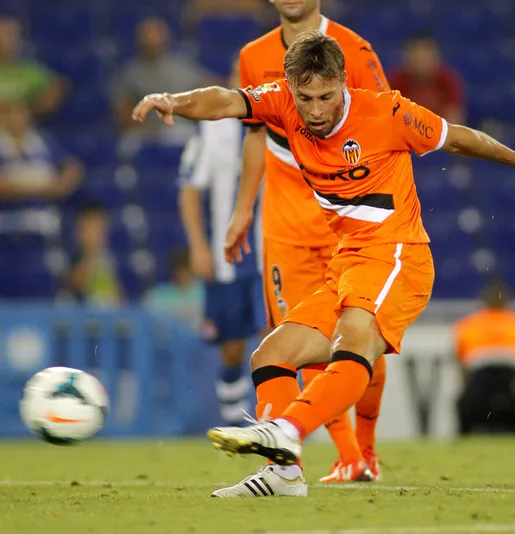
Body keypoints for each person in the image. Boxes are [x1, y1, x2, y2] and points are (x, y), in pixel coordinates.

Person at [131, 31, 515, 498]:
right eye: (306, 98)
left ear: (343, 80)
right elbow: (224, 102)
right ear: (290, 87)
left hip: (399, 255)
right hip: (348, 262)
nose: (316, 110)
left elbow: (458, 138)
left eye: (326, 96)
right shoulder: (279, 101)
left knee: (353, 338)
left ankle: (289, 431)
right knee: (271, 355)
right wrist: (173, 100)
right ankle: (283, 475)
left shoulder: (388, 112)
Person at [227, 0, 390, 485]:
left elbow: (386, 126)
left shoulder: (355, 52)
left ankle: (364, 450)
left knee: (363, 338)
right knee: (301, 341)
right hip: (285, 218)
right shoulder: (253, 55)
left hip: (345, 215)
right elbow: (255, 135)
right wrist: (242, 209)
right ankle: (348, 459)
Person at [178, 57, 266, 427]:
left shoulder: (285, 125)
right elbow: (190, 189)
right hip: (227, 257)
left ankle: (277, 424)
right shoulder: (211, 130)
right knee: (232, 347)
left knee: (276, 339)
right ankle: (234, 423)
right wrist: (198, 245)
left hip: (273, 255)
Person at [111, 16, 211, 153]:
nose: (152, 40)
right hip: (146, 131)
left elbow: (208, 88)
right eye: (147, 35)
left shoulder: (182, 66)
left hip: (180, 129)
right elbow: (122, 110)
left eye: (156, 34)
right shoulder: (130, 73)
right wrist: (143, 127)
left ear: (165, 38)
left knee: (199, 141)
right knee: (127, 144)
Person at [454, 279, 515, 435]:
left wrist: (467, 389)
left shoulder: (468, 325)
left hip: (485, 380)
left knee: (465, 405)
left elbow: (463, 365)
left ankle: (464, 438)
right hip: (507, 380)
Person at [388, 32, 465, 125]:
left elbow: (453, 118)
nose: (420, 59)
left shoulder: (448, 80)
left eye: (425, 54)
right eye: (416, 53)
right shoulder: (396, 81)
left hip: (441, 136)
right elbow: (390, 118)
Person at [0, 17, 66, 117]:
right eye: (5, 36)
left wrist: (33, 106)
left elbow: (57, 88)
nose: (10, 41)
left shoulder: (30, 70)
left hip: (22, 127)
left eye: (13, 36)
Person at [67, 200, 122, 306]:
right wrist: (92, 256)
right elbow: (74, 283)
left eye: (99, 228)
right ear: (79, 230)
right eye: (90, 228)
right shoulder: (72, 257)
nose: (95, 233)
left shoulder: (108, 258)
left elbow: (117, 295)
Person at [144, 247, 205, 331]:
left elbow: (212, 327)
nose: (182, 273)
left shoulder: (206, 293)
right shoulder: (156, 296)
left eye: (186, 268)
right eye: (179, 268)